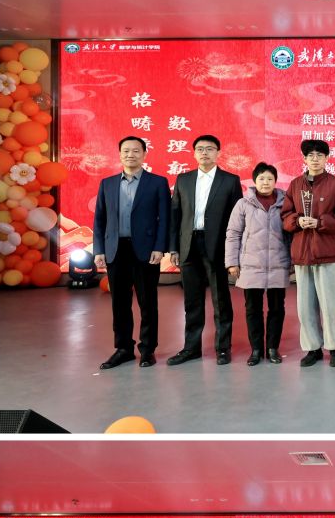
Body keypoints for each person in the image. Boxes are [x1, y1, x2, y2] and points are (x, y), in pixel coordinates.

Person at [91, 135, 172, 369]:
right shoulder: (107, 183)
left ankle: (148, 349)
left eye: (136, 151)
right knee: (119, 303)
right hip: (115, 250)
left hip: (146, 251)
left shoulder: (157, 182)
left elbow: (165, 219)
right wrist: (99, 249)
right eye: (126, 151)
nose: (130, 155)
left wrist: (160, 247)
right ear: (119, 154)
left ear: (144, 154)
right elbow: (100, 219)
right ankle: (123, 348)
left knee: (148, 302)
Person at [167, 134, 243, 365]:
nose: (204, 153)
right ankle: (191, 348)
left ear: (218, 153)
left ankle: (223, 348)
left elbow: (237, 220)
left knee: (221, 300)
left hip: (217, 246)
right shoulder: (184, 179)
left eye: (210, 149)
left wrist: (233, 252)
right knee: (192, 301)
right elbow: (175, 215)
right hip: (188, 245)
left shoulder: (230, 181)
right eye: (200, 149)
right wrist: (174, 248)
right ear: (194, 153)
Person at [281, 140, 335, 367]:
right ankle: (312, 348)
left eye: (319, 155)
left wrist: (320, 222)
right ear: (304, 158)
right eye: (310, 155)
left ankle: (334, 349)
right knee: (305, 306)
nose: (315, 159)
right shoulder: (295, 185)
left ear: (327, 158)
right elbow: (285, 216)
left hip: (328, 253)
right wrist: (297, 221)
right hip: (302, 254)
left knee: (330, 305)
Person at [231, 164, 295, 365]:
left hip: (278, 263)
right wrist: (232, 262)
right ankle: (256, 350)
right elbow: (233, 234)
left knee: (277, 308)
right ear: (254, 181)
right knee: (253, 309)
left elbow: (292, 234)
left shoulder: (286, 203)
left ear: (275, 181)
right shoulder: (243, 203)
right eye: (261, 179)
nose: (265, 183)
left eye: (269, 179)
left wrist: (293, 261)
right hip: (251, 264)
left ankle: (273, 348)